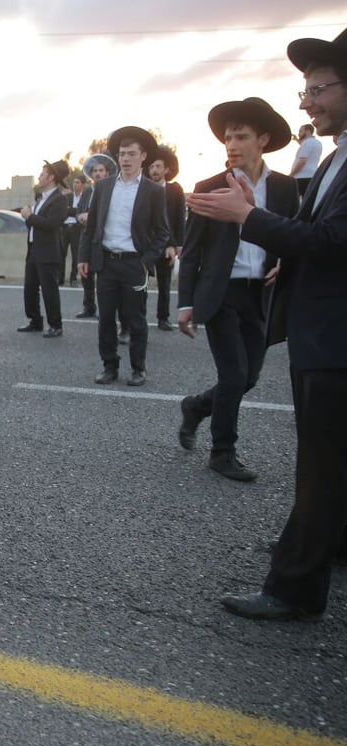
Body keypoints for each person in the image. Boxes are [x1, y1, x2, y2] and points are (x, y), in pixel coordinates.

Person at [186, 27, 347, 621]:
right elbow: (320, 241)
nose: (307, 102)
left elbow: (333, 238)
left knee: (322, 466)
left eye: (319, 89)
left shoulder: (300, 175)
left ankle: (295, 587)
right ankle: (326, 544)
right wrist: (291, 260)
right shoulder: (336, 156)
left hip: (333, 338)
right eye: (304, 91)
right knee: (330, 460)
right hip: (301, 322)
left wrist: (249, 218)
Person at [176, 97, 299, 483]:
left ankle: (196, 407)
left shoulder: (283, 187)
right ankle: (222, 452)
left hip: (260, 294)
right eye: (227, 137)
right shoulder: (208, 187)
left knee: (249, 378)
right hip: (222, 293)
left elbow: (292, 236)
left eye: (241, 136)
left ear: (262, 140)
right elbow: (192, 250)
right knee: (233, 376)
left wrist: (282, 262)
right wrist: (185, 303)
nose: (231, 144)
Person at [78, 126, 171, 387]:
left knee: (136, 319)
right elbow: (92, 224)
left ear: (143, 157)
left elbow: (163, 232)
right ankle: (109, 366)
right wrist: (83, 257)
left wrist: (146, 261)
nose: (126, 159)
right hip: (106, 262)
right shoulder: (104, 186)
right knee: (106, 318)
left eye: (131, 154)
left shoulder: (153, 191)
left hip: (134, 263)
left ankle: (138, 368)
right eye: (121, 154)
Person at [18, 159, 70, 338]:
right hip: (34, 248)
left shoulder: (59, 200)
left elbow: (52, 224)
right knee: (30, 287)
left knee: (49, 289)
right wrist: (29, 218)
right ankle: (35, 320)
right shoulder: (40, 199)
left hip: (48, 252)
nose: (39, 177)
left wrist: (29, 216)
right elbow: (34, 224)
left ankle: (56, 325)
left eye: (42, 174)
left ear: (52, 177)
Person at [146, 145, 185, 331]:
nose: (154, 170)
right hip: (145, 244)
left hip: (166, 245)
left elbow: (179, 218)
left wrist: (176, 244)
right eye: (152, 167)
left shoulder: (174, 190)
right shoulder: (142, 189)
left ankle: (163, 318)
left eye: (158, 166)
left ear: (166, 169)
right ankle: (136, 319)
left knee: (164, 283)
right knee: (140, 284)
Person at [75, 153, 114, 319]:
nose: (97, 173)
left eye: (101, 170)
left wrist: (92, 217)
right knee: (86, 275)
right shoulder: (88, 191)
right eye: (95, 171)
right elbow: (79, 212)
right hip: (86, 237)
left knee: (104, 278)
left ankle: (107, 310)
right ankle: (89, 307)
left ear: (106, 172)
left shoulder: (111, 190)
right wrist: (81, 216)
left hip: (103, 239)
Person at [63, 174, 90, 288]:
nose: (75, 185)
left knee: (76, 255)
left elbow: (81, 212)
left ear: (83, 184)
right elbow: (64, 211)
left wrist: (72, 211)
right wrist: (74, 211)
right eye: (74, 182)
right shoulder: (68, 197)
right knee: (61, 254)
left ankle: (73, 278)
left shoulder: (85, 197)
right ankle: (60, 278)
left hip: (76, 228)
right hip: (64, 228)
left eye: (78, 182)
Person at [290, 123, 322, 198]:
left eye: (301, 131)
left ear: (308, 131)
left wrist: (291, 175)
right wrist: (296, 140)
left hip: (301, 177)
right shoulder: (317, 143)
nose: (299, 133)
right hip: (312, 176)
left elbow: (302, 161)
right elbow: (305, 147)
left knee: (293, 202)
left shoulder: (307, 143)